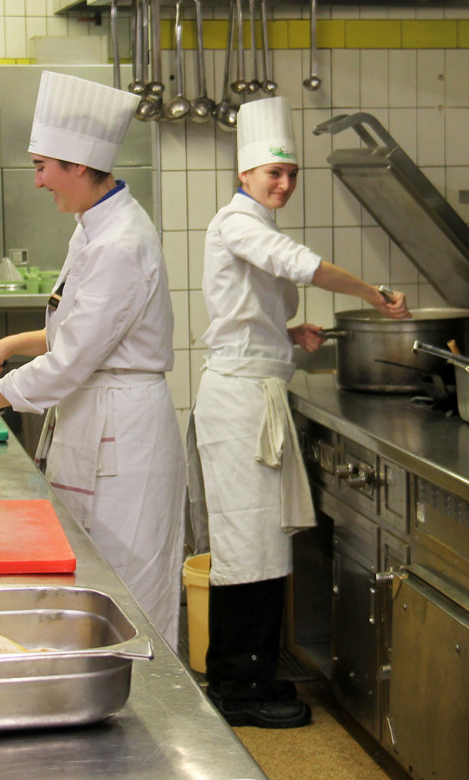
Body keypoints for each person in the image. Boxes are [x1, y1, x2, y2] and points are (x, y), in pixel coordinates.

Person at [0, 71, 186, 649]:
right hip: (97, 417)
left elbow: (69, 363)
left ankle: (157, 723)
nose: (38, 181)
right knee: (95, 584)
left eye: (43, 166)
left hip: (127, 440)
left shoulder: (121, 243)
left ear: (80, 165)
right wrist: (10, 345)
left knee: (129, 596)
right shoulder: (92, 227)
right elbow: (76, 332)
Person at [191, 95, 411, 728]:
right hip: (238, 407)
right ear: (245, 176)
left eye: (290, 175)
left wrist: (287, 335)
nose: (283, 184)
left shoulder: (258, 225)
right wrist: (373, 292)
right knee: (244, 550)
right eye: (273, 175)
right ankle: (238, 688)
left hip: (255, 394)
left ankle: (250, 673)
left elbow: (242, 313)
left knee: (258, 547)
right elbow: (300, 266)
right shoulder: (236, 223)